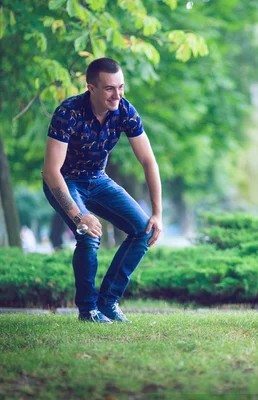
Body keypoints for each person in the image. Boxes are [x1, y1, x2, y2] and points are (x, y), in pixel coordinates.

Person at [42, 57, 162, 323]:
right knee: (87, 235)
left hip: (98, 179)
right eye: (109, 88)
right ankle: (88, 310)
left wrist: (157, 213)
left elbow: (148, 161)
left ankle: (107, 303)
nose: (116, 94)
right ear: (91, 88)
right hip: (63, 180)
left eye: (120, 87)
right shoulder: (68, 112)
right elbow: (51, 171)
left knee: (143, 229)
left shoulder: (125, 111)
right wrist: (78, 217)